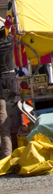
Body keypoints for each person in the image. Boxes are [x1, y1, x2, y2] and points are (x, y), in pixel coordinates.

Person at [0, 30, 14, 159]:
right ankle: (6, 159)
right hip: (8, 85)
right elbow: (10, 31)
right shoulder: (8, 42)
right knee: (4, 130)